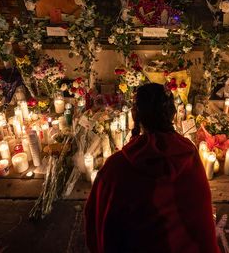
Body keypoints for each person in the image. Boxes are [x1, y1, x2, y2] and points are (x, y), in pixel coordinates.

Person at [85, 83, 220, 253]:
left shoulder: (118, 166)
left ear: (135, 115)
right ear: (172, 113)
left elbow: (98, 219)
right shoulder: (188, 152)